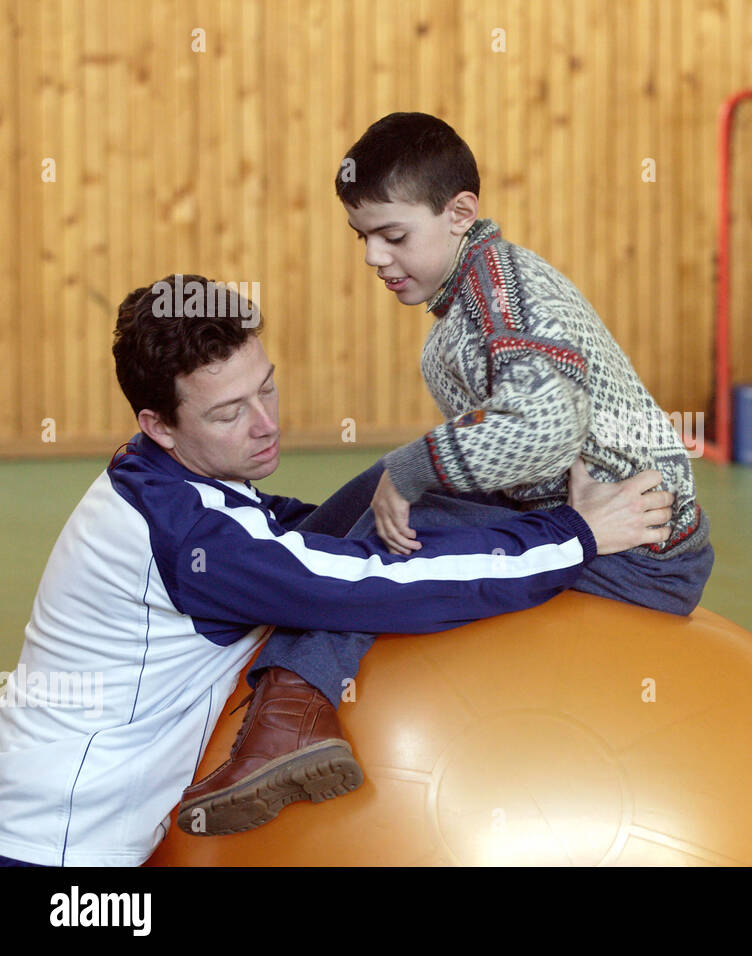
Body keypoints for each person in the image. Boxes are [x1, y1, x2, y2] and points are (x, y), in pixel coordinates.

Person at [0, 276, 673, 866]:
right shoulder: (191, 537)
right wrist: (577, 535)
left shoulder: (160, 476)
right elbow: (381, 583)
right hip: (56, 847)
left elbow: (308, 533)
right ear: (160, 426)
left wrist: (463, 476)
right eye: (230, 412)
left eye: (266, 388)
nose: (265, 424)